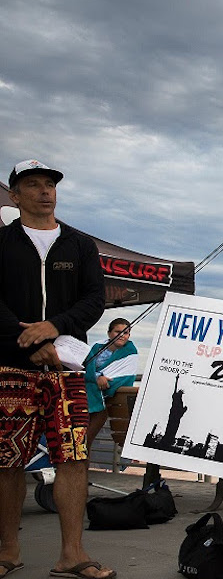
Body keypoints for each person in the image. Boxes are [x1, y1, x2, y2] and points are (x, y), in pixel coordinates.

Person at [0, 160, 113, 579]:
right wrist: (26, 340)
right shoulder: (2, 241)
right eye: (33, 185)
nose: (45, 191)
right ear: (15, 196)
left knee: (73, 457)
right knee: (7, 460)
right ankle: (8, 551)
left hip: (67, 368)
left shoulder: (80, 244)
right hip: (12, 364)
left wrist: (53, 329)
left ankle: (72, 554)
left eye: (49, 184)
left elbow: (93, 300)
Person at [83, 318, 139, 449]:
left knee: (86, 441)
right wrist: (97, 376)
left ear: (129, 335)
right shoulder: (96, 348)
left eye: (125, 333)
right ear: (109, 333)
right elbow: (84, 368)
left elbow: (124, 377)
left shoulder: (131, 353)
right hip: (83, 396)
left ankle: (80, 468)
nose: (122, 335)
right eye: (117, 332)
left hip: (104, 402)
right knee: (80, 441)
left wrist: (99, 378)